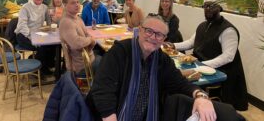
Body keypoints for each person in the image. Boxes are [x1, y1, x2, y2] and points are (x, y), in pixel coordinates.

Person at [86, 15, 244, 121]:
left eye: (159, 35)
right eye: (149, 31)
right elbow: (102, 91)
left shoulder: (161, 60)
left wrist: (201, 97)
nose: (153, 37)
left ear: (164, 39)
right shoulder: (120, 52)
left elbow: (180, 83)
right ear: (139, 30)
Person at [173, 0, 248, 111]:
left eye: (212, 6)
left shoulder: (228, 30)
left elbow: (228, 57)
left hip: (220, 72)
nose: (208, 9)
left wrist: (202, 65)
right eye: (206, 6)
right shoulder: (203, 26)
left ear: (220, 8)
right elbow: (191, 42)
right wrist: (172, 45)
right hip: (201, 65)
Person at [15, 0, 56, 75]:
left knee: (53, 44)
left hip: (38, 34)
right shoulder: (25, 8)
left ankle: (48, 64)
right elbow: (22, 26)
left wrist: (53, 23)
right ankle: (39, 70)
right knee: (42, 46)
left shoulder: (45, 7)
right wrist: (32, 38)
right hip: (23, 35)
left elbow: (49, 23)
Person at [59, 0, 101, 74]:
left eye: (78, 2)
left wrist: (90, 40)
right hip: (83, 66)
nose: (77, 5)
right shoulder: (66, 22)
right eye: (73, 3)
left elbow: (87, 34)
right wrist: (91, 40)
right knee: (113, 62)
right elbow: (76, 43)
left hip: (88, 59)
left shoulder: (77, 18)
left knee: (108, 56)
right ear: (64, 5)